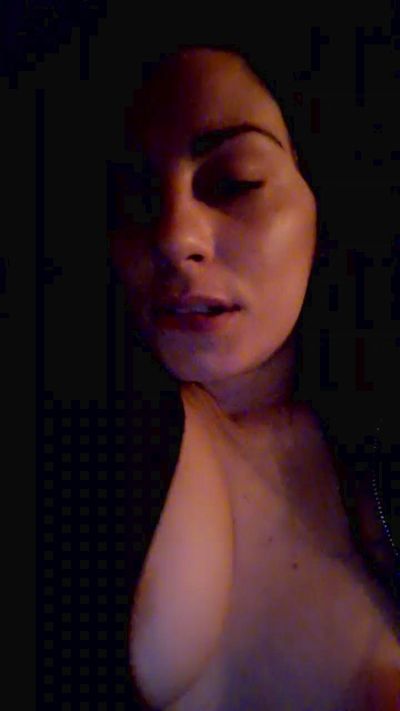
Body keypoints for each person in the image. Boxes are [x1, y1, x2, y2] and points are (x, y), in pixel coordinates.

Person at [107, 40, 400, 710]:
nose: (174, 235)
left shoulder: (362, 431)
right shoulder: (129, 446)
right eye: (136, 195)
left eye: (235, 182)